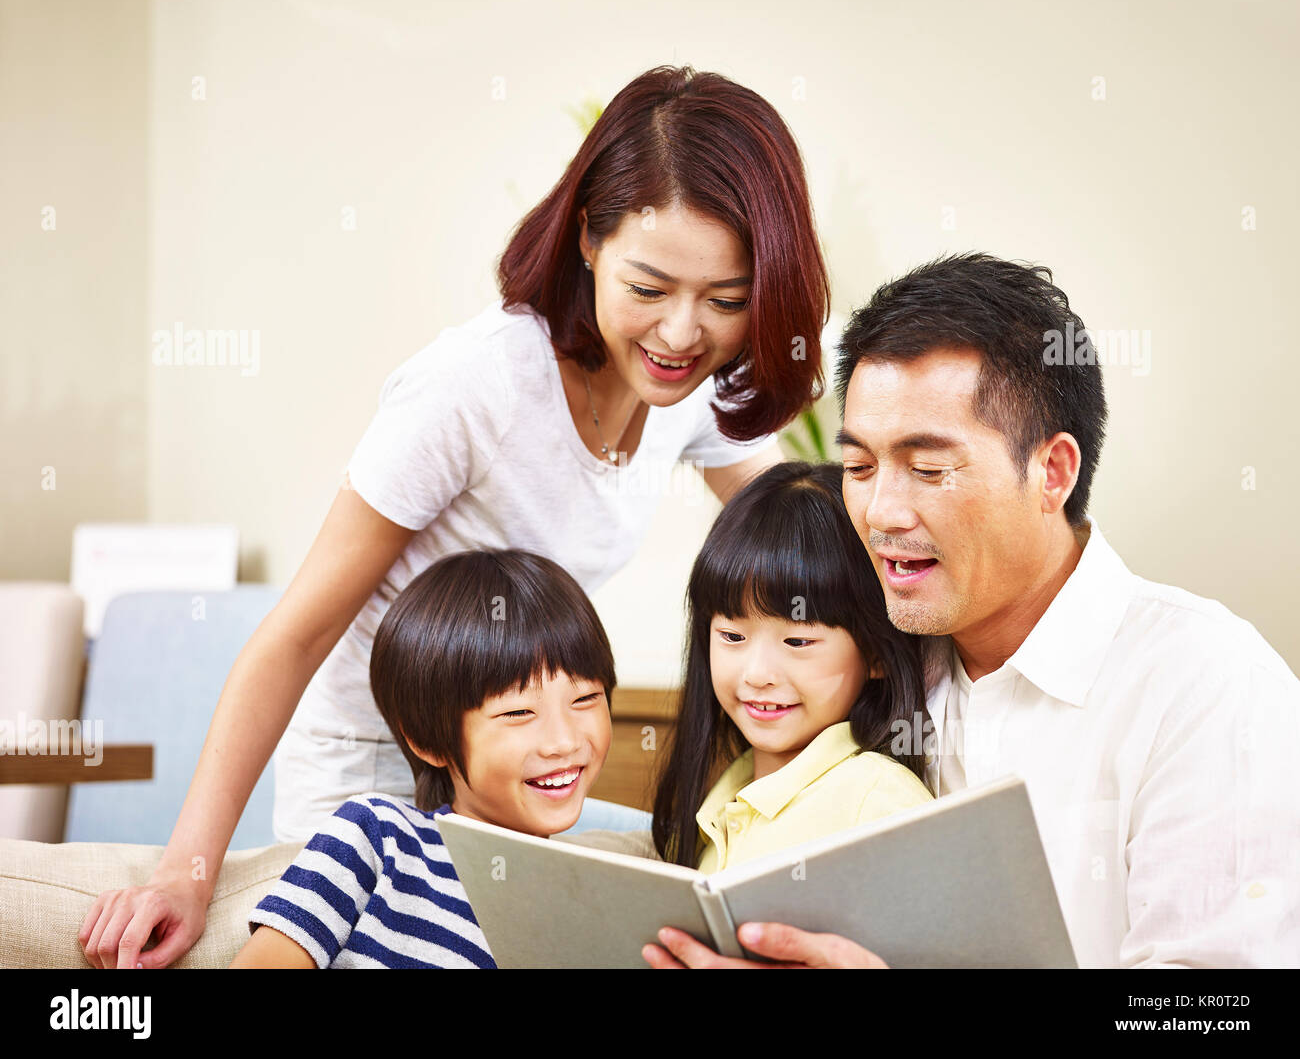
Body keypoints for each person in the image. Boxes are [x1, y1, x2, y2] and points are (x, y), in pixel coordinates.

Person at [79, 64, 828, 969]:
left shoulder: (687, 391)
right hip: (380, 774)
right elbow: (297, 632)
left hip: (514, 776)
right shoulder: (474, 387)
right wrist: (186, 871)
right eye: (649, 287)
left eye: (727, 300)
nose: (680, 334)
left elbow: (803, 543)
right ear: (587, 238)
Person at [644, 252, 1300, 969]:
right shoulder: (869, 662)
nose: (882, 511)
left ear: (1052, 472)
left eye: (929, 469)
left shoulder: (1207, 686)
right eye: (860, 467)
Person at [230, 548, 616, 968]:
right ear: (427, 740)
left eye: (586, 697)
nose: (562, 741)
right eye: (518, 712)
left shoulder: (595, 904)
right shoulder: (377, 837)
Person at [651, 460, 933, 875]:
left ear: (875, 652)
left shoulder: (877, 804)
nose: (757, 674)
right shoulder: (720, 799)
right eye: (732, 636)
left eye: (798, 641)